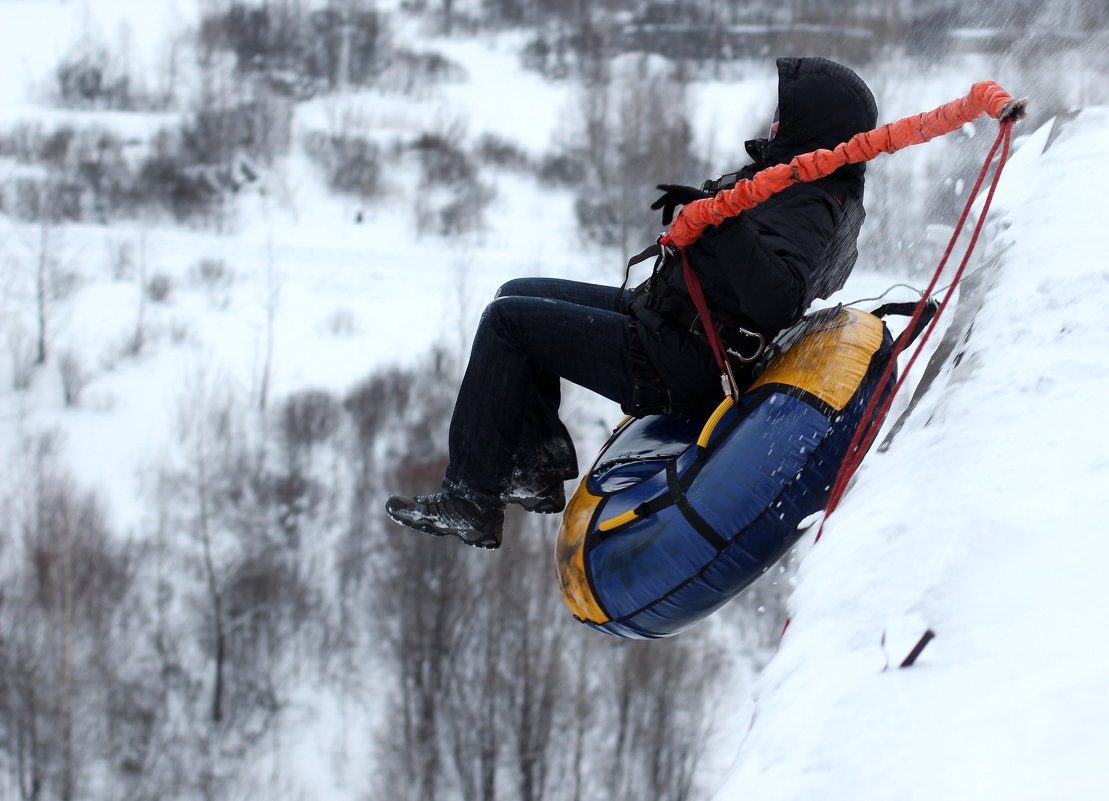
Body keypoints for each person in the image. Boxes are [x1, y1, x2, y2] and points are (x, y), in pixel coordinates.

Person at [386, 56, 878, 550]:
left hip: (685, 359)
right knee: (513, 293)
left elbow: (778, 300)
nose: (773, 123)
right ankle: (533, 469)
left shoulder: (812, 201)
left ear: (812, 126)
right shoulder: (790, 179)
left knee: (507, 323)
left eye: (784, 115)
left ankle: (472, 499)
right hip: (668, 318)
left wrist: (723, 222)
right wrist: (713, 210)